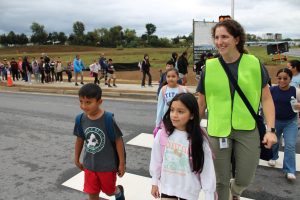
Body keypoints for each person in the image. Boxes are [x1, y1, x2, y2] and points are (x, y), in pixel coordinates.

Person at [196, 19, 277, 200]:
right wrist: (191, 131)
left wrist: (271, 130)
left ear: (236, 39)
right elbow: (201, 104)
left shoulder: (254, 64)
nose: (219, 41)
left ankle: (237, 190)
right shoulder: (209, 68)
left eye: (225, 36)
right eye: (216, 37)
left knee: (245, 178)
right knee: (220, 181)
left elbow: (266, 98)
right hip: (218, 130)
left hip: (247, 128)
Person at [150, 93, 216, 200]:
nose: (174, 115)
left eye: (180, 111)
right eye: (172, 110)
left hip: (189, 192)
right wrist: (154, 182)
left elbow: (207, 170)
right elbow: (156, 160)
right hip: (168, 188)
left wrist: (209, 195)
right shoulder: (162, 134)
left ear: (192, 115)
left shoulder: (199, 139)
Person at [73, 83, 126, 200]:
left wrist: (121, 163)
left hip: (107, 166)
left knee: (109, 191)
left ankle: (118, 191)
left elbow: (118, 141)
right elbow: (80, 139)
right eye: (81, 101)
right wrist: (76, 158)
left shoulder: (108, 119)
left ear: (99, 102)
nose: (84, 106)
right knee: (92, 193)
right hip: (89, 165)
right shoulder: (80, 119)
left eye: (88, 102)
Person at [269, 68, 299, 180]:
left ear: (291, 79)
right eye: (279, 78)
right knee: (274, 142)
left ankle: (290, 170)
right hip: (275, 121)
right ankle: (273, 156)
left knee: (290, 145)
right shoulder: (272, 90)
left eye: (285, 78)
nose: (282, 81)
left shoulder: (296, 91)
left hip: (291, 122)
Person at [154, 68, 187, 136]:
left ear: (177, 77)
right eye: (168, 76)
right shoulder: (163, 90)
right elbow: (160, 108)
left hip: (179, 120)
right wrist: (157, 124)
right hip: (167, 120)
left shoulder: (183, 90)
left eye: (173, 76)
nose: (170, 78)